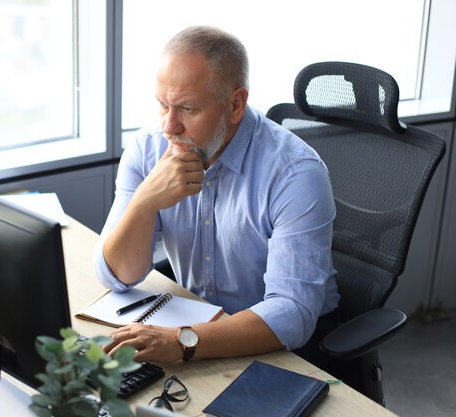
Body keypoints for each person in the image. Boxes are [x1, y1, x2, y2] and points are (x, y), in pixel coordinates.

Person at [94, 26, 339, 363]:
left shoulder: (295, 174)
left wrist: (182, 342)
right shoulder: (148, 148)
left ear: (235, 104)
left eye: (187, 109)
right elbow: (115, 276)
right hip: (192, 325)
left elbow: (292, 313)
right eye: (163, 106)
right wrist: (145, 201)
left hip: (276, 345)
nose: (169, 126)